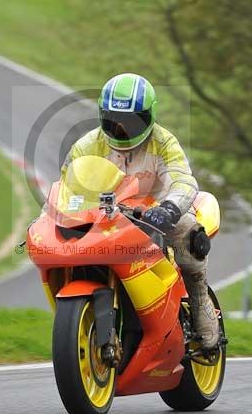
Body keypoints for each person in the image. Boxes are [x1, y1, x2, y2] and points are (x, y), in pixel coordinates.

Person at [60, 72, 219, 349]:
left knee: (189, 233)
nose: (122, 128)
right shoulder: (87, 145)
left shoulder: (164, 142)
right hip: (104, 215)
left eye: (132, 122)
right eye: (114, 120)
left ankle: (200, 302)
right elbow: (65, 185)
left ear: (149, 116)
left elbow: (183, 180)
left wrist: (169, 208)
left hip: (155, 215)